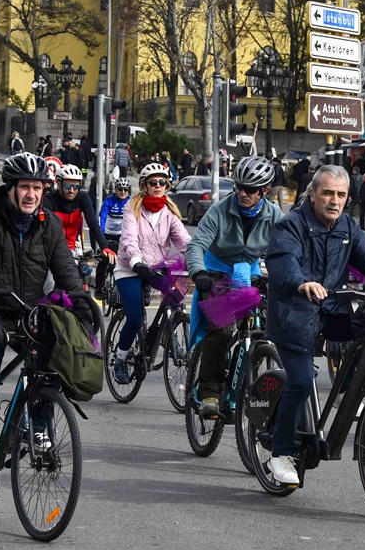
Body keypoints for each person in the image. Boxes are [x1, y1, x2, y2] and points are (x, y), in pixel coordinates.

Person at [0, 153, 92, 493]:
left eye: (37, 187)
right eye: (24, 186)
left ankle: (39, 429)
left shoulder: (49, 224)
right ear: (10, 188)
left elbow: (67, 272)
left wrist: (83, 312)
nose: (31, 194)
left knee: (52, 364)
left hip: (28, 313)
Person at [262, 165, 365, 486]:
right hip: (293, 312)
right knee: (298, 381)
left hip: (331, 309)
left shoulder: (348, 227)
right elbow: (284, 262)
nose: (334, 200)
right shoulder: (290, 226)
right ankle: (280, 452)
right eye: (327, 193)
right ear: (312, 194)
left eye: (340, 194)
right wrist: (301, 283)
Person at [186, 157, 281, 418]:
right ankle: (210, 392)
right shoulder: (219, 210)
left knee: (267, 325)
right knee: (221, 329)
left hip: (248, 272)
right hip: (215, 271)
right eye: (239, 186)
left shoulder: (274, 215)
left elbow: (287, 249)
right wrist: (199, 272)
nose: (242, 193)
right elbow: (196, 246)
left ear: (265, 191)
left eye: (250, 189)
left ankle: (250, 370)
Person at [112, 163, 190, 383]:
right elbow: (128, 239)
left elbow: (185, 242)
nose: (158, 186)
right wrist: (136, 262)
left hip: (155, 268)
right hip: (130, 268)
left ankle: (169, 333)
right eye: (153, 182)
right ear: (144, 185)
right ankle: (120, 358)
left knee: (175, 295)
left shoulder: (170, 214)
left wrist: (199, 259)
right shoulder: (132, 209)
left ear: (167, 185)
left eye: (162, 182)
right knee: (135, 317)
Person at [44, 163, 109, 260]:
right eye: (67, 186)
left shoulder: (82, 197)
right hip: (52, 250)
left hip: (73, 249)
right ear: (58, 183)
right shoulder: (48, 200)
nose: (71, 190)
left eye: (75, 187)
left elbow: (93, 223)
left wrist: (105, 247)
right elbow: (45, 229)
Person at [96, 176, 131, 294]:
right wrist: (101, 236)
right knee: (104, 261)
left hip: (123, 236)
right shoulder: (109, 201)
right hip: (108, 235)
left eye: (126, 190)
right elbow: (102, 218)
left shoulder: (130, 202)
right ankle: (99, 288)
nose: (123, 192)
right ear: (115, 190)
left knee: (126, 263)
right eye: (120, 189)